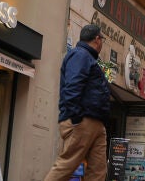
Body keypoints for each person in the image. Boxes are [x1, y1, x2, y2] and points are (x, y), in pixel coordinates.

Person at [43, 24, 111, 181]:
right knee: (67, 165)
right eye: (102, 39)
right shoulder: (80, 55)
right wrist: (76, 118)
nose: (102, 43)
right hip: (83, 120)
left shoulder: (87, 58)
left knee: (98, 171)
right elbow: (73, 86)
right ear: (97, 39)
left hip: (96, 123)